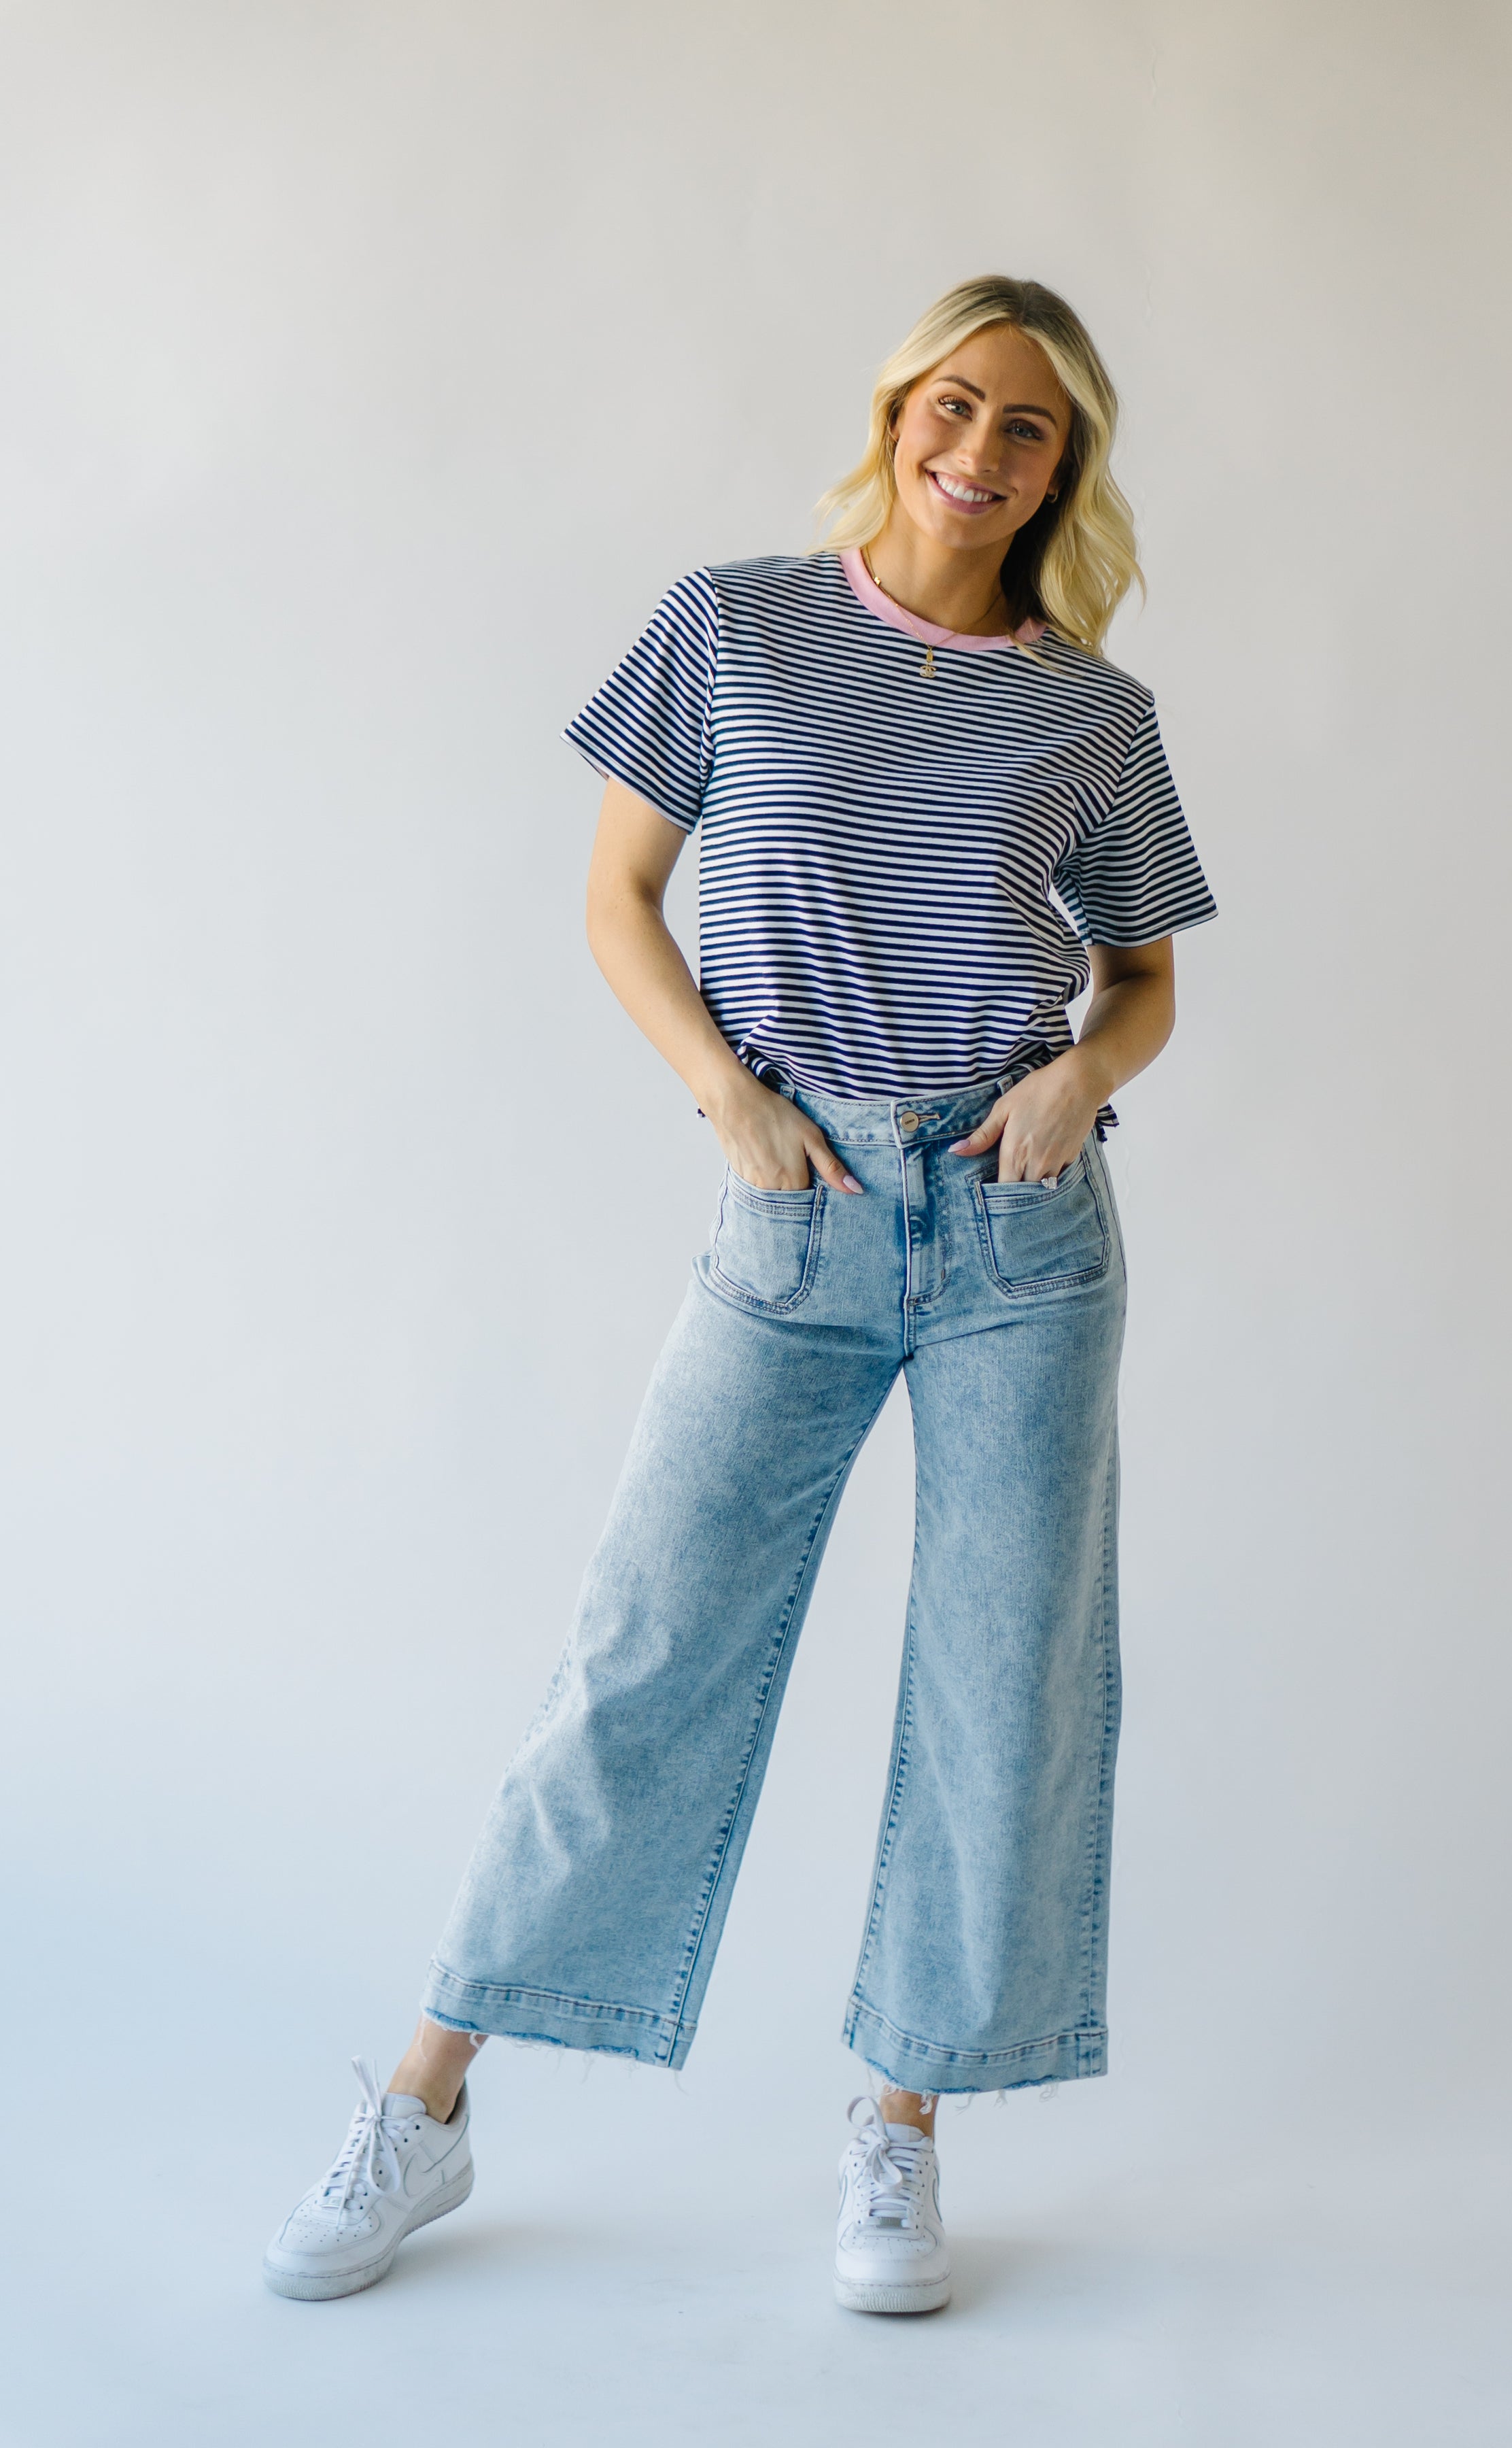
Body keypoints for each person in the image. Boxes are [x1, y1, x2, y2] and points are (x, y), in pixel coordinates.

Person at [263, 273, 1216, 2314]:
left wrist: (1076, 1081)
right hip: (792, 1212)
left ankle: (900, 2127)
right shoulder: (734, 625)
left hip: (1021, 1235)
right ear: (896, 412)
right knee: (646, 1652)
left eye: (1029, 425)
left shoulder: (1091, 712)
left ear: (1066, 466)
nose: (980, 450)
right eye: (953, 403)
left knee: (998, 1687)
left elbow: (1143, 978)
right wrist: (724, 1096)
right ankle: (426, 2101)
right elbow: (619, 895)